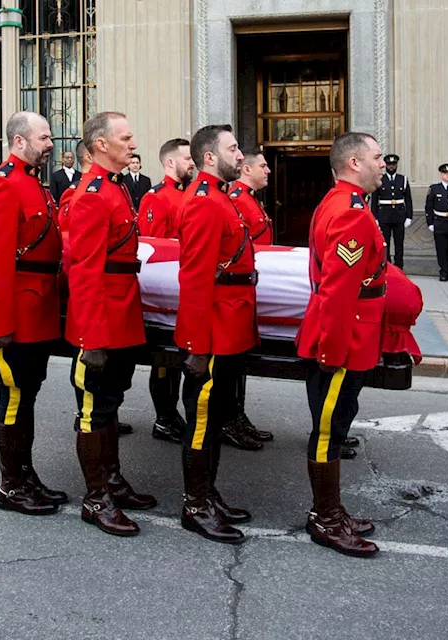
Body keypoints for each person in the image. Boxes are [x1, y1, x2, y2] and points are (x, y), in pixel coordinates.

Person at [295, 131, 388, 558]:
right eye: (376, 157)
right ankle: (325, 517)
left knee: (334, 427)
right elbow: (337, 291)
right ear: (354, 163)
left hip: (352, 333)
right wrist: (331, 353)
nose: (383, 164)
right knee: (328, 431)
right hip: (343, 337)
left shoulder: (348, 204)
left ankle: (332, 509)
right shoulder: (349, 212)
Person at [0, 112, 68, 516]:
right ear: (18, 141)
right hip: (10, 316)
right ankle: (10, 487)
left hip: (36, 311)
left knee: (26, 397)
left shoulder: (33, 183)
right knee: (13, 398)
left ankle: (26, 475)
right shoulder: (4, 185)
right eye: (43, 137)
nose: (50, 143)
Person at [66, 111, 156, 537]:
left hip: (122, 313)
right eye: (126, 137)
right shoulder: (91, 195)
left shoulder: (115, 189)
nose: (132, 143)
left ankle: (113, 480)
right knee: (93, 411)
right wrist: (92, 338)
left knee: (112, 404)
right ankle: (95, 496)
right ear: (100, 144)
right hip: (101, 321)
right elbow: (83, 271)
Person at [175, 124, 257, 544]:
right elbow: (195, 279)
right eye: (233, 148)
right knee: (202, 422)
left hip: (229, 326)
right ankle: (195, 504)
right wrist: (196, 346)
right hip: (212, 332)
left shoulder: (220, 196)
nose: (240, 155)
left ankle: (209, 494)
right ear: (210, 157)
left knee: (216, 417)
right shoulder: (206, 203)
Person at [135, 138, 193, 445]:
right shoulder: (157, 197)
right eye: (186, 158)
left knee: (182, 361)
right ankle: (165, 417)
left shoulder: (190, 194)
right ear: (170, 162)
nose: (192, 163)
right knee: (165, 363)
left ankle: (174, 415)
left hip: (186, 288)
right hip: (166, 293)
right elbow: (153, 249)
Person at [223, 147, 276, 450]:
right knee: (232, 364)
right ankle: (230, 419)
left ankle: (237, 415)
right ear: (246, 169)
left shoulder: (249, 199)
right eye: (264, 166)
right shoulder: (237, 200)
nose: (268, 171)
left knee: (239, 363)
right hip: (241, 289)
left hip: (254, 287)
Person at [371, 154, 412, 268]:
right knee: (385, 243)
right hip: (384, 215)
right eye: (389, 164)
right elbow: (375, 200)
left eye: (393, 164)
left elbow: (408, 199)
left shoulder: (402, 179)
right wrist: (375, 217)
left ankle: (399, 266)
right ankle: (387, 265)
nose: (391, 167)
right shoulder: (380, 179)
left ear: (396, 165)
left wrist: (409, 216)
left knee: (399, 243)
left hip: (399, 215)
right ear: (386, 166)